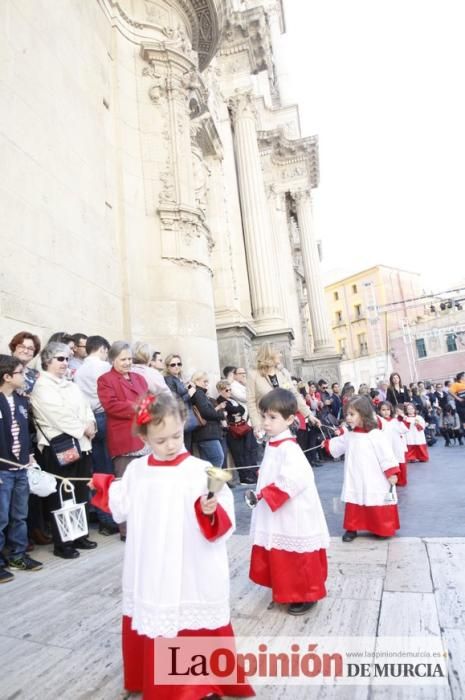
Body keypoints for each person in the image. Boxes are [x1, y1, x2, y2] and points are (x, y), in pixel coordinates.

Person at [90, 392, 254, 700]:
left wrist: (211, 511)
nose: (170, 445)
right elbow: (121, 503)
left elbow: (224, 508)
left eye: (176, 436)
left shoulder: (202, 469)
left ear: (183, 426)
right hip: (152, 562)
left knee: (194, 618)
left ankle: (203, 685)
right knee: (160, 618)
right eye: (160, 439)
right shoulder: (137, 471)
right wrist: (101, 485)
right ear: (144, 438)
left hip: (192, 561)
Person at [248, 388, 329, 615]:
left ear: (291, 419)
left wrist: (269, 493)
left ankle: (306, 594)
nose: (266, 422)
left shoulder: (290, 448)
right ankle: (285, 589)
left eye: (272, 417)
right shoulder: (274, 444)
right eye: (264, 416)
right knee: (280, 549)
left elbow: (297, 477)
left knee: (297, 554)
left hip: (293, 510)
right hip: (277, 510)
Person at [31, 342, 98, 559]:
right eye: (60, 359)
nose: (65, 363)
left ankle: (79, 534)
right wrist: (83, 428)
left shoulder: (71, 384)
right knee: (62, 494)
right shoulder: (42, 386)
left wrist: (91, 425)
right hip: (59, 446)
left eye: (67, 359)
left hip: (82, 443)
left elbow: (87, 409)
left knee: (80, 492)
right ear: (47, 360)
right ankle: (63, 542)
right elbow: (57, 416)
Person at [322, 395, 400, 542]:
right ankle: (352, 528)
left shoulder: (375, 435)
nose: (348, 418)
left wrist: (391, 472)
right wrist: (327, 444)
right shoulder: (350, 435)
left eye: (352, 414)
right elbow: (338, 444)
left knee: (376, 498)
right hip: (355, 476)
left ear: (363, 414)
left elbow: (386, 455)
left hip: (375, 477)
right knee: (354, 498)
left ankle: (380, 527)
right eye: (347, 415)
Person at [97, 341, 149, 539]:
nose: (128, 363)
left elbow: (148, 399)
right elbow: (110, 405)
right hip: (124, 437)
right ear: (113, 360)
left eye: (129, 359)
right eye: (123, 359)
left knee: (145, 484)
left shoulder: (139, 378)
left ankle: (145, 523)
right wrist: (136, 407)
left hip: (144, 435)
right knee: (125, 485)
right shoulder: (105, 379)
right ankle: (126, 530)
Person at [0, 355, 43, 582]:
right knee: (1, 518)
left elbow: (25, 433)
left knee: (20, 515)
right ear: (7, 377)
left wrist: (29, 457)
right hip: (2, 470)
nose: (24, 376)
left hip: (21, 469)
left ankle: (18, 555)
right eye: (19, 373)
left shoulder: (20, 401)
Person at [75, 335, 118, 535]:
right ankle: (109, 518)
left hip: (88, 420)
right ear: (102, 349)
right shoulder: (102, 367)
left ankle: (104, 517)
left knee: (98, 470)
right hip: (104, 416)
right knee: (109, 469)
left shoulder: (79, 370)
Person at [246, 343, 318, 435]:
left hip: (284, 424)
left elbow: (294, 395)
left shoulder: (282, 373)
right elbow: (251, 401)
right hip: (265, 425)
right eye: (278, 353)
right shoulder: (253, 374)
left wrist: (308, 415)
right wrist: (256, 424)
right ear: (270, 354)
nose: (281, 355)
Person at [216, 380, 257, 484]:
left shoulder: (232, 399)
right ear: (220, 391)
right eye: (226, 390)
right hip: (233, 430)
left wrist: (236, 409)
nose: (229, 392)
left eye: (230, 390)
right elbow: (234, 410)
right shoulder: (220, 400)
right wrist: (235, 410)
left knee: (248, 451)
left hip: (243, 427)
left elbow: (242, 409)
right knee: (238, 454)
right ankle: (244, 477)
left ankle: (251, 475)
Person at [190, 371, 226, 467]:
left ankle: (206, 481)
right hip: (207, 433)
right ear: (196, 381)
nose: (207, 383)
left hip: (204, 433)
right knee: (218, 457)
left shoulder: (199, 394)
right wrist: (222, 415)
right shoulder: (199, 393)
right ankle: (213, 481)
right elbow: (206, 412)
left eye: (207, 381)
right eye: (204, 381)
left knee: (206, 464)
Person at [163, 353, 197, 451]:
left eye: (179, 364)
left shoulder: (178, 379)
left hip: (186, 417)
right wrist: (189, 393)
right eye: (173, 365)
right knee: (183, 449)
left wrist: (188, 388)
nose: (176, 367)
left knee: (187, 449)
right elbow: (175, 402)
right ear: (167, 367)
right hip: (179, 418)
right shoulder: (169, 379)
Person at [377, 401, 409, 486]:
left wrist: (403, 419)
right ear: (379, 411)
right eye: (383, 410)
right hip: (385, 445)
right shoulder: (379, 420)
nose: (386, 412)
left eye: (388, 409)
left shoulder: (396, 420)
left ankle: (400, 480)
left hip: (396, 445)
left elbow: (404, 429)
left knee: (398, 460)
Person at [9, 331, 41, 395]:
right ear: (13, 349)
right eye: (21, 346)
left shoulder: (35, 375)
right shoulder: (2, 367)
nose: (26, 351)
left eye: (30, 349)